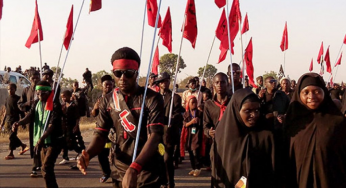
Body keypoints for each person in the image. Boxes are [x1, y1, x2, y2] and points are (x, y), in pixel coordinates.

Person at [77, 47, 165, 188]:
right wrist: (88, 154)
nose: (122, 78)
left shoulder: (152, 98)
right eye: (118, 73)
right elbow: (100, 134)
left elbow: (155, 136)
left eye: (128, 73)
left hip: (146, 166)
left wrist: (135, 168)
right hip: (120, 166)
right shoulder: (108, 99)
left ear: (136, 74)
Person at [284, 73, 346, 187]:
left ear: (324, 93)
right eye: (306, 92)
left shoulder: (337, 122)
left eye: (317, 91)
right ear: (299, 94)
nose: (311, 96)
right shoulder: (292, 123)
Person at [213, 88, 276, 187]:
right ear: (237, 110)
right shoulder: (223, 137)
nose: (254, 115)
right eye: (248, 111)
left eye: (257, 110)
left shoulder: (266, 135)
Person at [13, 80, 63, 188]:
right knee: (45, 170)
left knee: (46, 167)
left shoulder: (55, 105)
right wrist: (19, 123)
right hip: (42, 140)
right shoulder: (36, 103)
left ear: (49, 92)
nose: (39, 95)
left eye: (42, 93)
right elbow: (30, 116)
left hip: (54, 141)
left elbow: (52, 125)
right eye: (38, 93)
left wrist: (41, 139)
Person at [154, 72, 183, 188]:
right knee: (160, 159)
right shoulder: (154, 97)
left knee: (167, 159)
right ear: (159, 84)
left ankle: (171, 182)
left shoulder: (175, 97)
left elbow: (177, 114)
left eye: (166, 81)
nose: (164, 83)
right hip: (157, 135)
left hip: (169, 135)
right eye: (162, 81)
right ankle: (163, 181)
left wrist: (169, 120)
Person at [203, 73, 231, 177]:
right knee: (217, 174)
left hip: (231, 143)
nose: (220, 85)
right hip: (216, 144)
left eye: (223, 82)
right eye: (217, 82)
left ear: (227, 84)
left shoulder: (233, 102)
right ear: (213, 85)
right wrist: (208, 132)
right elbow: (205, 125)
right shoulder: (208, 104)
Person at [90, 75, 114, 183]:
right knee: (102, 154)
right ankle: (106, 173)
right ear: (102, 86)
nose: (108, 86)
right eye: (106, 85)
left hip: (115, 131)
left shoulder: (117, 97)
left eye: (110, 84)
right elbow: (93, 114)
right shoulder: (99, 98)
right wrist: (95, 108)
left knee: (117, 155)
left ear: (113, 84)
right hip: (102, 132)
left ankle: (118, 175)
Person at [17, 70, 41, 177]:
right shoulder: (26, 90)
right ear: (30, 78)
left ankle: (40, 162)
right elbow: (20, 104)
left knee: (42, 141)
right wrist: (27, 103)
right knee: (33, 141)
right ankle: (36, 163)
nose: (35, 79)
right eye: (33, 77)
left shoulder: (42, 89)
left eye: (37, 77)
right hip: (31, 119)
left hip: (42, 119)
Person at [1, 83, 28, 160]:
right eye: (8, 89)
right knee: (12, 136)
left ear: (15, 89)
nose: (10, 91)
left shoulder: (18, 99)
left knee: (11, 136)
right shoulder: (7, 99)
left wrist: (23, 122)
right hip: (8, 120)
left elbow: (21, 111)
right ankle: (23, 145)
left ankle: (11, 153)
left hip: (15, 120)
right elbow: (5, 111)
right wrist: (2, 122)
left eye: (11, 89)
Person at [181, 96, 203, 177]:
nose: (194, 104)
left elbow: (203, 124)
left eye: (195, 102)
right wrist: (191, 122)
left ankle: (198, 168)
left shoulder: (200, 113)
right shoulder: (186, 114)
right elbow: (185, 124)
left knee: (195, 151)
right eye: (192, 103)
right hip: (189, 135)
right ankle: (193, 168)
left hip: (197, 134)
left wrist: (198, 121)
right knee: (190, 152)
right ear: (188, 104)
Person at [59, 90, 80, 166]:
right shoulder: (62, 105)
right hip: (64, 126)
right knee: (63, 142)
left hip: (71, 126)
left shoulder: (74, 105)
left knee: (70, 142)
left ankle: (80, 152)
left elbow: (77, 117)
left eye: (64, 97)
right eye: (62, 97)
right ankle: (65, 157)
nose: (63, 99)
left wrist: (76, 125)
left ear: (69, 96)